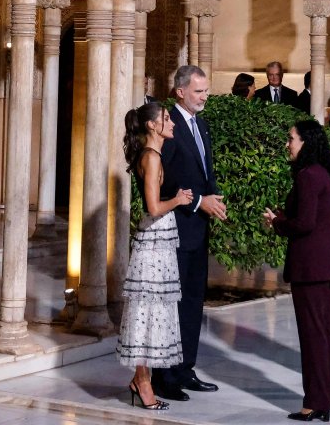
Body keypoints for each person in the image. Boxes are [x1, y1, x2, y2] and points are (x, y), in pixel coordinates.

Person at [262, 119, 330, 422]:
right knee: (327, 335)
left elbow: (305, 224)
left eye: (291, 139)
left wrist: (278, 222)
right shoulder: (325, 173)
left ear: (305, 142)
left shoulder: (308, 176)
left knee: (313, 337)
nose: (288, 144)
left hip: (311, 268)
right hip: (328, 264)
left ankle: (314, 402)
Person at [154, 65, 228, 401]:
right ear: (180, 91)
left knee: (194, 302)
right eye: (199, 91)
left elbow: (204, 172)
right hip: (177, 228)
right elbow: (162, 180)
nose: (204, 97)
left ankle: (185, 369)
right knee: (172, 303)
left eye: (206, 91)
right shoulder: (168, 126)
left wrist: (214, 201)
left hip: (199, 230)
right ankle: (164, 377)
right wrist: (199, 201)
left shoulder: (203, 125)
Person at [118, 103, 195, 411]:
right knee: (145, 312)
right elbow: (152, 207)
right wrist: (177, 199)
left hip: (159, 243)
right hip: (151, 246)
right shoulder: (150, 158)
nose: (172, 123)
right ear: (152, 126)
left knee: (153, 312)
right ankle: (143, 382)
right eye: (166, 119)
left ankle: (142, 379)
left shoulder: (155, 156)